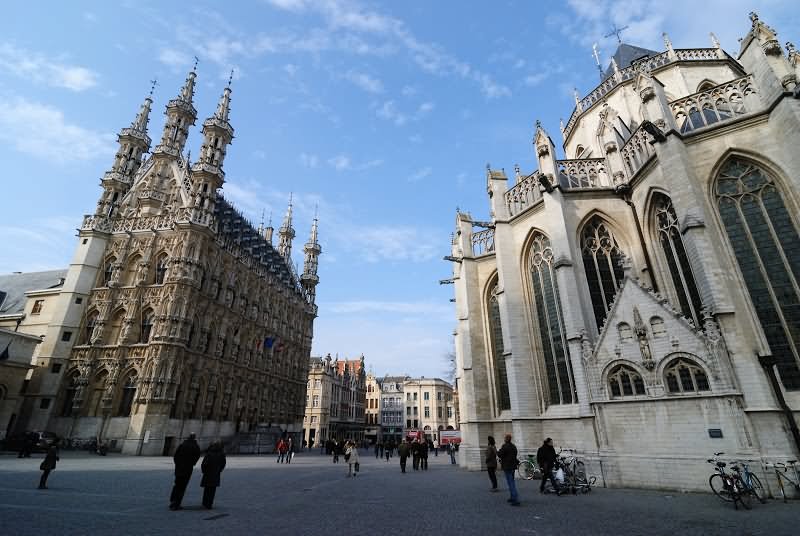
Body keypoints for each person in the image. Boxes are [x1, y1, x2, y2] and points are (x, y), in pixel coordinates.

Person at [169, 433, 201, 510]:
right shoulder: (195, 446)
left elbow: (176, 456)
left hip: (179, 468)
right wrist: (192, 463)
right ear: (194, 438)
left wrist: (177, 464)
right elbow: (197, 456)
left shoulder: (182, 445)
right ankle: (177, 503)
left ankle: (172, 501)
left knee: (177, 484)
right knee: (182, 486)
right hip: (188, 469)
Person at [200, 440, 226, 509]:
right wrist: (219, 470)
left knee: (207, 489)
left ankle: (205, 502)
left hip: (208, 473)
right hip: (215, 474)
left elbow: (203, 464)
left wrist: (204, 471)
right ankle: (209, 504)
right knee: (212, 490)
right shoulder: (222, 454)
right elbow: (223, 464)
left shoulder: (209, 453)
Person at [497, 433, 520, 506]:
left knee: (510, 482)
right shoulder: (513, 446)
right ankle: (512, 497)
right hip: (513, 466)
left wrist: (498, 451)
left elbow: (500, 454)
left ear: (506, 439)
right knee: (511, 481)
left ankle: (515, 498)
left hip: (507, 466)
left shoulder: (505, 446)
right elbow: (515, 454)